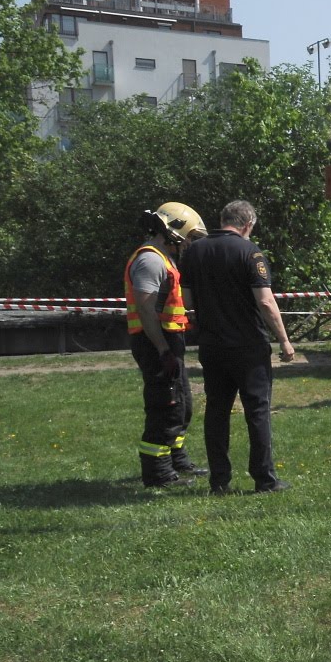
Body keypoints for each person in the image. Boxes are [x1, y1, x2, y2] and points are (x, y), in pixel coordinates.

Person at [179, 200, 297, 494]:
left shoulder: (194, 251)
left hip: (212, 345)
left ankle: (219, 480)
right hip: (248, 346)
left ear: (223, 220)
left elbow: (187, 301)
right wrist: (284, 340)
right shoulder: (250, 252)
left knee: (216, 412)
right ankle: (264, 479)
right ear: (248, 224)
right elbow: (266, 302)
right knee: (257, 411)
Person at [126, 201, 207, 489]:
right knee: (165, 406)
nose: (189, 244)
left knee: (182, 404)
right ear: (175, 231)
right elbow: (146, 310)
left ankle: (176, 459)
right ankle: (158, 473)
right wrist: (162, 350)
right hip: (155, 344)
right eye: (189, 237)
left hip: (170, 343)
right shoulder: (150, 260)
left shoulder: (164, 258)